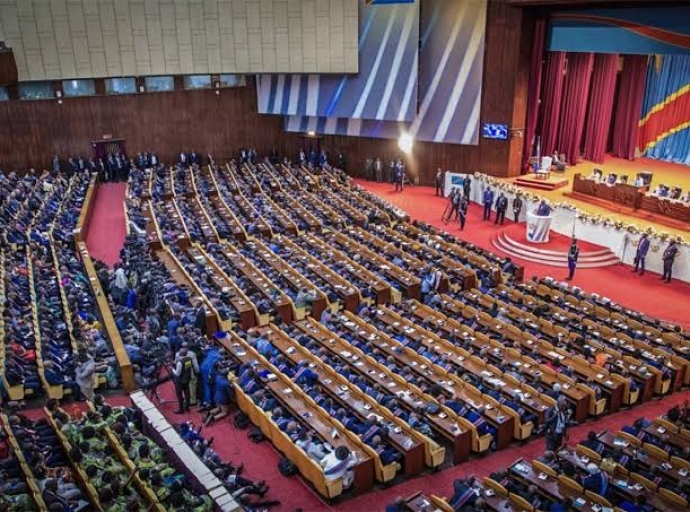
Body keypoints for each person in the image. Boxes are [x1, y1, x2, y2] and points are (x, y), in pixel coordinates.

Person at [172, 345, 198, 414]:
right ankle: (187, 406)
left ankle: (181, 409)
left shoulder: (180, 362)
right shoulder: (189, 359)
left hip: (180, 381)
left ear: (180, 354)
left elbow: (177, 374)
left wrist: (172, 370)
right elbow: (187, 368)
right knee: (187, 394)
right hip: (186, 379)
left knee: (179, 395)